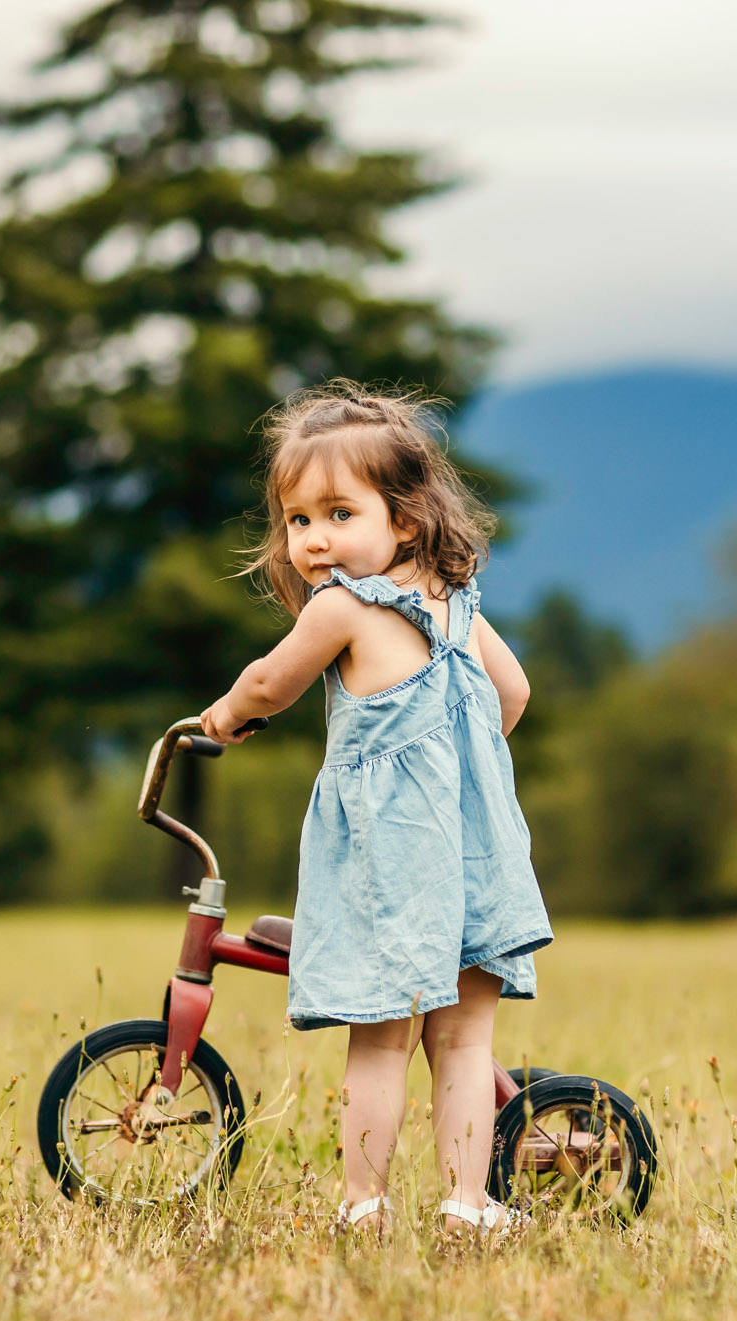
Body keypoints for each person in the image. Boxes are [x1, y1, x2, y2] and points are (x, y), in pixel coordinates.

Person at [200, 382, 552, 1235]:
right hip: (475, 853)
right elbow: (514, 694)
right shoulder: (459, 604)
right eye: (298, 520)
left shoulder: (341, 608)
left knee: (381, 1040)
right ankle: (469, 1206)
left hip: (393, 857)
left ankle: (365, 1206)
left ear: (404, 519)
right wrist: (460, 759)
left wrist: (225, 716)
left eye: (338, 513)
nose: (315, 540)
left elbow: (268, 683)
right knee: (464, 1043)